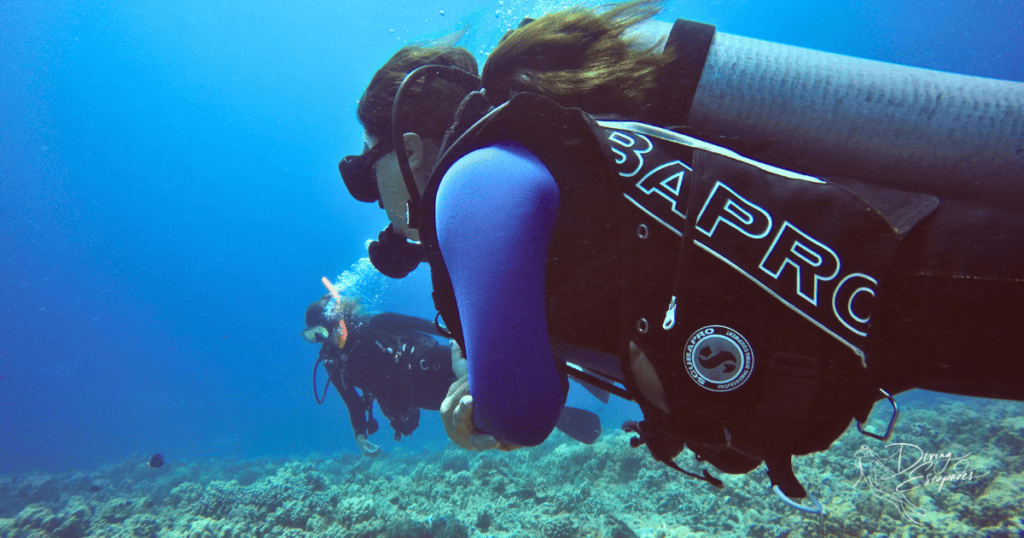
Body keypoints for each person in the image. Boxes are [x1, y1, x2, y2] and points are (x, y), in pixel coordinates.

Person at [338, 0, 1024, 506]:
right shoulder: (529, 153)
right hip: (899, 288)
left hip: (925, 281)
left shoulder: (474, 177)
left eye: (371, 175)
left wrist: (471, 412)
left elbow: (520, 409)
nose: (377, 203)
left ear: (410, 145)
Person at [303, 292, 455, 456]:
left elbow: (415, 323)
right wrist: (360, 435)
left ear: (335, 323)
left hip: (436, 363)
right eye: (312, 336)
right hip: (420, 395)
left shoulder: (373, 324)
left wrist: (456, 333)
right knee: (474, 406)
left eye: (321, 331)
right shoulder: (335, 365)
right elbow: (352, 402)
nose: (321, 340)